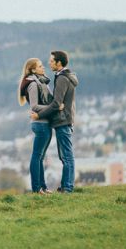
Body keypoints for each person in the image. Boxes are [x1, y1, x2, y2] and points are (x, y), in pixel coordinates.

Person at [31, 50, 78, 193]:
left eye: (52, 61)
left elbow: (57, 104)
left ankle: (68, 188)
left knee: (67, 157)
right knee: (65, 156)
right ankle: (65, 186)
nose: (49, 63)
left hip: (63, 121)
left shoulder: (63, 78)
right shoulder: (61, 76)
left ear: (59, 63)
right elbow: (58, 103)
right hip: (63, 120)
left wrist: (39, 115)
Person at [19, 57, 54, 194]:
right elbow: (34, 106)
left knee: (40, 157)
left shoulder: (40, 82)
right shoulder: (33, 84)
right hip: (40, 124)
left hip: (44, 123)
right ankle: (36, 188)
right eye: (40, 66)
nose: (43, 67)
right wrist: (52, 107)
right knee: (36, 156)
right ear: (33, 69)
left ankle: (42, 187)